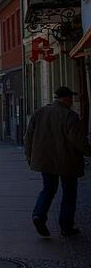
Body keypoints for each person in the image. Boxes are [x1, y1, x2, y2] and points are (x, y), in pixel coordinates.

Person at [26, 86, 91, 237]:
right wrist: (89, 151)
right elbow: (78, 140)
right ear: (66, 99)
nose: (71, 101)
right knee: (69, 193)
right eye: (70, 98)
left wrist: (29, 156)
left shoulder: (39, 113)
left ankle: (39, 215)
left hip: (44, 160)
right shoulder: (69, 115)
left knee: (48, 189)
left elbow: (28, 137)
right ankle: (66, 226)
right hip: (66, 160)